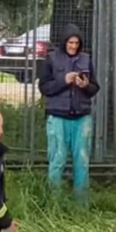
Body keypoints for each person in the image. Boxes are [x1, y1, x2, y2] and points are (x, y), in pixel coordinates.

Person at [38, 24, 99, 200]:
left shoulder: (86, 59)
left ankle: (81, 205)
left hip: (82, 117)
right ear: (64, 42)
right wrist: (63, 81)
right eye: (71, 42)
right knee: (57, 160)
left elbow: (95, 88)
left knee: (82, 162)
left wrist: (85, 85)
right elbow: (44, 87)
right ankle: (54, 202)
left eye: (77, 43)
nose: (74, 46)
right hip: (57, 117)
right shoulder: (51, 59)